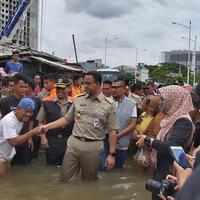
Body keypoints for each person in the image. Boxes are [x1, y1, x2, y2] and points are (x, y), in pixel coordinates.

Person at [39, 71, 118, 183]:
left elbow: (112, 130)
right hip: (74, 144)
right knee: (64, 179)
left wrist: (111, 155)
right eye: (84, 83)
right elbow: (66, 119)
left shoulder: (109, 104)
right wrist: (47, 126)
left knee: (89, 180)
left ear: (98, 84)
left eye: (88, 83)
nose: (85, 86)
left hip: (93, 146)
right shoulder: (79, 99)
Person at [136, 85, 194, 200]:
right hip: (162, 167)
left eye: (163, 99)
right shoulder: (170, 118)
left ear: (174, 100)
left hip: (172, 171)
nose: (160, 102)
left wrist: (149, 141)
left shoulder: (182, 121)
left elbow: (172, 146)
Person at [37, 77, 73, 165]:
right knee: (50, 167)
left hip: (69, 140)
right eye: (58, 88)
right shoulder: (46, 102)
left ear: (68, 89)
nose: (59, 91)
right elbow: (40, 122)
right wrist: (43, 138)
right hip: (51, 140)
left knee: (67, 167)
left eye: (62, 88)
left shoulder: (75, 103)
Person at [0, 98, 39, 177]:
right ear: (19, 108)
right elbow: (13, 142)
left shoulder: (20, 117)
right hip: (1, 154)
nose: (28, 114)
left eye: (31, 112)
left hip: (7, 153)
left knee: (7, 180)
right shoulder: (9, 120)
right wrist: (32, 132)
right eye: (26, 111)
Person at [0, 74, 34, 165]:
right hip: (10, 139)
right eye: (21, 86)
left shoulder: (30, 102)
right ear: (14, 86)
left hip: (25, 138)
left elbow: (31, 120)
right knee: (10, 165)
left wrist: (30, 137)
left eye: (26, 87)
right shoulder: (5, 101)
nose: (24, 89)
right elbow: (4, 121)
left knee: (25, 166)